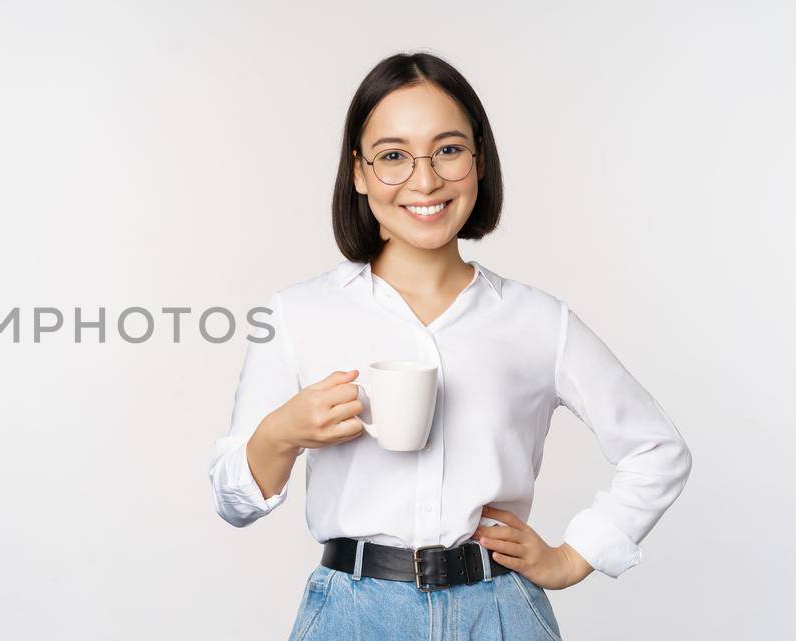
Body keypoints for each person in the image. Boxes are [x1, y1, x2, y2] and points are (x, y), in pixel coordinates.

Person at [206, 52, 692, 640]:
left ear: (478, 160)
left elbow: (657, 449)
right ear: (357, 173)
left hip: (501, 613)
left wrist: (573, 556)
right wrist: (281, 432)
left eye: (449, 149)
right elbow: (233, 502)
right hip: (353, 617)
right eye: (392, 156)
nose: (426, 179)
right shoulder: (299, 314)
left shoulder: (538, 320)